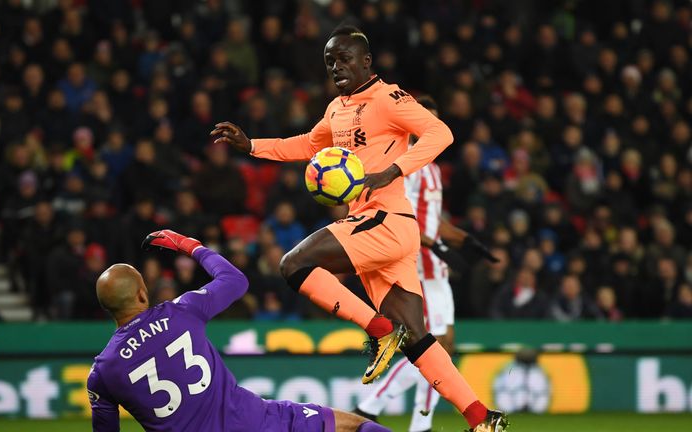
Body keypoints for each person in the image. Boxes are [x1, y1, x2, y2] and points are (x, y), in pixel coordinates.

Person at [211, 25, 506, 431]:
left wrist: (392, 171)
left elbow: (441, 133)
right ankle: (482, 418)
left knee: (293, 264)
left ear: (366, 61)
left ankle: (379, 331)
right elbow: (309, 144)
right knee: (417, 338)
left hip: (385, 220)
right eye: (330, 61)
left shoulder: (388, 97)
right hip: (385, 229)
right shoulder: (337, 108)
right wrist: (252, 146)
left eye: (344, 58)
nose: (336, 67)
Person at [87, 229, 391, 432]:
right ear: (142, 294)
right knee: (353, 426)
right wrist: (190, 246)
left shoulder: (102, 372)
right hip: (254, 422)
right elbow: (234, 280)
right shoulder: (180, 312)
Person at [355, 97, 499, 432]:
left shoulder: (432, 168)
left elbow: (433, 221)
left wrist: (466, 241)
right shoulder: (407, 166)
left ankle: (419, 421)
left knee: (445, 346)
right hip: (418, 266)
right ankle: (372, 406)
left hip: (437, 269)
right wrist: (437, 246)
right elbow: (399, 217)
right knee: (430, 347)